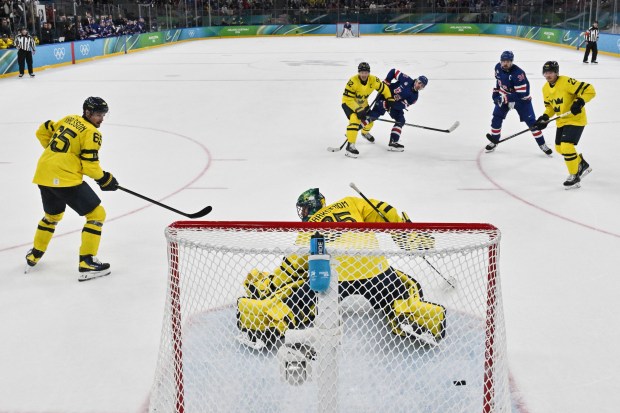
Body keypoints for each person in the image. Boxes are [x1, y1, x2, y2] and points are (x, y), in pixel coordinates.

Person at [236, 188, 445, 349]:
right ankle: (412, 315)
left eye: (305, 209)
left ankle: (270, 318)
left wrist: (270, 284)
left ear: (314, 207)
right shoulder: (351, 202)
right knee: (406, 286)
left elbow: (292, 268)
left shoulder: (307, 229)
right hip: (373, 269)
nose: (304, 213)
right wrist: (404, 230)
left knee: (296, 294)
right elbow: (384, 211)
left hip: (333, 278)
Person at [25, 97, 120, 280]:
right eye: (98, 115)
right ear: (88, 112)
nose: (101, 119)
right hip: (65, 178)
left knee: (52, 216)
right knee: (96, 215)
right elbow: (90, 167)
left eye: (103, 115)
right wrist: (105, 179)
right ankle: (87, 262)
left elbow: (42, 130)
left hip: (44, 173)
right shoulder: (93, 133)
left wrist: (59, 155)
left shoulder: (69, 118)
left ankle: (35, 253)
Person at [534, 61, 595, 189]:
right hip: (562, 121)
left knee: (567, 147)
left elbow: (590, 90)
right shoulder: (545, 88)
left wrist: (579, 101)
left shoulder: (566, 82)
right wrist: (545, 117)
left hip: (575, 119)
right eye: (545, 72)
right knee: (559, 148)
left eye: (550, 72)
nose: (548, 75)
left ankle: (574, 176)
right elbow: (550, 107)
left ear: (556, 72)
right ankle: (581, 164)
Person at [485, 51, 552, 155]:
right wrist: (495, 94)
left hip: (522, 100)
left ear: (512, 62)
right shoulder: (497, 67)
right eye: (503, 61)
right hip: (505, 96)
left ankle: (542, 144)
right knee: (496, 118)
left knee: (532, 123)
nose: (505, 64)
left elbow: (521, 94)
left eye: (507, 61)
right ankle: (494, 140)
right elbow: (498, 82)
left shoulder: (518, 74)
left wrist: (504, 98)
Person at [359, 69, 428, 152]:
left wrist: (389, 105)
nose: (419, 85)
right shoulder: (406, 79)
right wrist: (387, 81)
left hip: (394, 105)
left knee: (401, 120)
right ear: (416, 80)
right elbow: (393, 71)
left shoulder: (414, 97)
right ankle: (355, 128)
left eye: (422, 85)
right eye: (419, 82)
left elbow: (402, 105)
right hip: (384, 95)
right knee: (374, 116)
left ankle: (393, 142)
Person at [341, 62, 394, 158]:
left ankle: (364, 133)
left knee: (370, 122)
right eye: (362, 72)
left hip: (362, 104)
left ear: (368, 72)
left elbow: (384, 89)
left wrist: (389, 98)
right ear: (359, 72)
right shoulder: (352, 81)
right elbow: (348, 99)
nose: (364, 75)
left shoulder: (373, 80)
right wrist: (357, 109)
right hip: (348, 103)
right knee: (355, 120)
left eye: (366, 72)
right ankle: (350, 146)